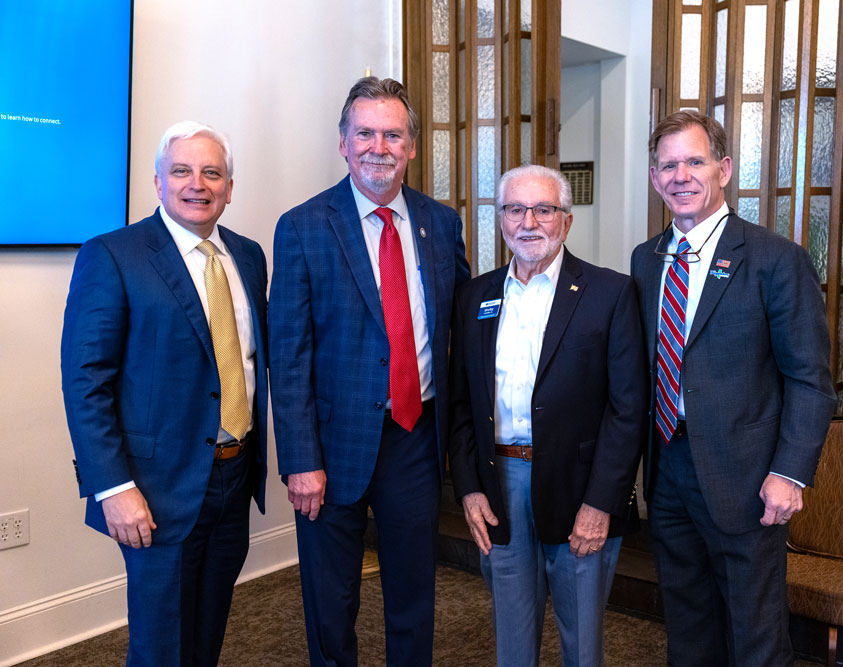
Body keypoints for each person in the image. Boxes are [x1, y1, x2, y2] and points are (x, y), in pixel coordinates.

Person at [269, 76, 470, 666]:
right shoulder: (303, 227)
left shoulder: (441, 223)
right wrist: (301, 459)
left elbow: (459, 323)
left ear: (411, 145)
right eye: (365, 133)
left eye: (392, 134)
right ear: (343, 141)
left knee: (414, 589)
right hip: (331, 447)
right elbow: (289, 354)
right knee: (331, 598)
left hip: (416, 435)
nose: (378, 146)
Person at [630, 110, 837, 666]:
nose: (681, 176)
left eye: (694, 161)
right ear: (654, 179)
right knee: (688, 626)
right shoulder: (646, 262)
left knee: (756, 638)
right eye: (668, 165)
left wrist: (789, 474)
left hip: (747, 478)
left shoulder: (775, 259)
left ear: (722, 169)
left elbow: (811, 381)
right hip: (668, 469)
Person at [61, 121, 269, 666]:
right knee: (161, 647)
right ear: (158, 182)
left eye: (211, 172)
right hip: (156, 490)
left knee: (207, 633)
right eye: (181, 170)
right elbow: (86, 380)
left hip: (233, 475)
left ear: (229, 186)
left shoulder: (248, 257)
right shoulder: (113, 255)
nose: (196, 184)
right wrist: (113, 487)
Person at [449, 164, 646, 667]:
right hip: (500, 487)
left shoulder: (610, 293)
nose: (528, 222)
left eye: (543, 209)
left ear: (566, 220)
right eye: (515, 209)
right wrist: (469, 487)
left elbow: (628, 410)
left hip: (580, 488)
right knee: (511, 639)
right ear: (501, 220)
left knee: (582, 643)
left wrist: (602, 502)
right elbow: (461, 403)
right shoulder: (475, 296)